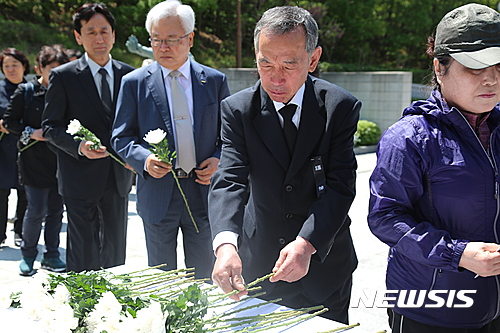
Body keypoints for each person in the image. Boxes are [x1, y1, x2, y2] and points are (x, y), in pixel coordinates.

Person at [209, 6, 360, 323]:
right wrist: (225, 246)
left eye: (289, 64)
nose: (275, 77)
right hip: (261, 263)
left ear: (313, 59)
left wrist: (306, 245)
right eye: (265, 63)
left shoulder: (339, 107)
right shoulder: (237, 110)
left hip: (324, 264)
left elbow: (339, 186)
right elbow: (230, 180)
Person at [368, 3, 500, 332]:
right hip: (430, 310)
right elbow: (385, 217)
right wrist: (456, 254)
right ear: (440, 68)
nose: (491, 79)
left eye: (499, 65)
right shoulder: (409, 138)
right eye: (475, 67)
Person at [112, 0, 230, 280]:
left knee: (203, 279)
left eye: (171, 40)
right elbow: (121, 136)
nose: (163, 47)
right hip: (158, 192)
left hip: (202, 192)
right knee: (161, 280)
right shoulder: (134, 82)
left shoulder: (213, 81)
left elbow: (231, 136)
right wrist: (145, 159)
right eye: (156, 40)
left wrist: (219, 160)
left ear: (190, 38)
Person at [42, 3, 135, 273]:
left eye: (104, 31)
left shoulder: (129, 75)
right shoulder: (64, 76)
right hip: (78, 177)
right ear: (78, 37)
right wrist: (79, 146)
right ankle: (81, 308)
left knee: (116, 251)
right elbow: (50, 127)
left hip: (118, 177)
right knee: (83, 252)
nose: (99, 38)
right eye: (91, 31)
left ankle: (114, 305)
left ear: (114, 35)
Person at [3, 45, 69, 275]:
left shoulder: (68, 92)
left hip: (60, 160)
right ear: (40, 68)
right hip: (32, 160)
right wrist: (31, 132)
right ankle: (28, 255)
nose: (57, 75)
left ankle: (52, 255)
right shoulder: (27, 91)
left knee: (56, 211)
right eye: (52, 70)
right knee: (36, 209)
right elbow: (9, 122)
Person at [0, 48, 29, 247]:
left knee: (25, 193)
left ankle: (20, 231)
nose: (10, 70)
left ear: (24, 66)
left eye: (14, 65)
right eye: (6, 66)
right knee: (1, 193)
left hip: (26, 147)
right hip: (2, 149)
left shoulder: (32, 88)